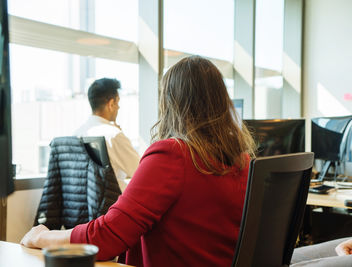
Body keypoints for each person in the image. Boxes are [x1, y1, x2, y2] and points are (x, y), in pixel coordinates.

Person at [21, 56, 256, 266]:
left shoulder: (172, 154)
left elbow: (107, 237)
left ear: (170, 104)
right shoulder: (243, 161)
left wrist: (41, 236)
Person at [73, 78, 140, 192]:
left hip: (83, 203)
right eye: (117, 103)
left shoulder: (77, 134)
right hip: (112, 202)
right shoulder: (114, 135)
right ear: (111, 103)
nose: (118, 107)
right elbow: (140, 171)